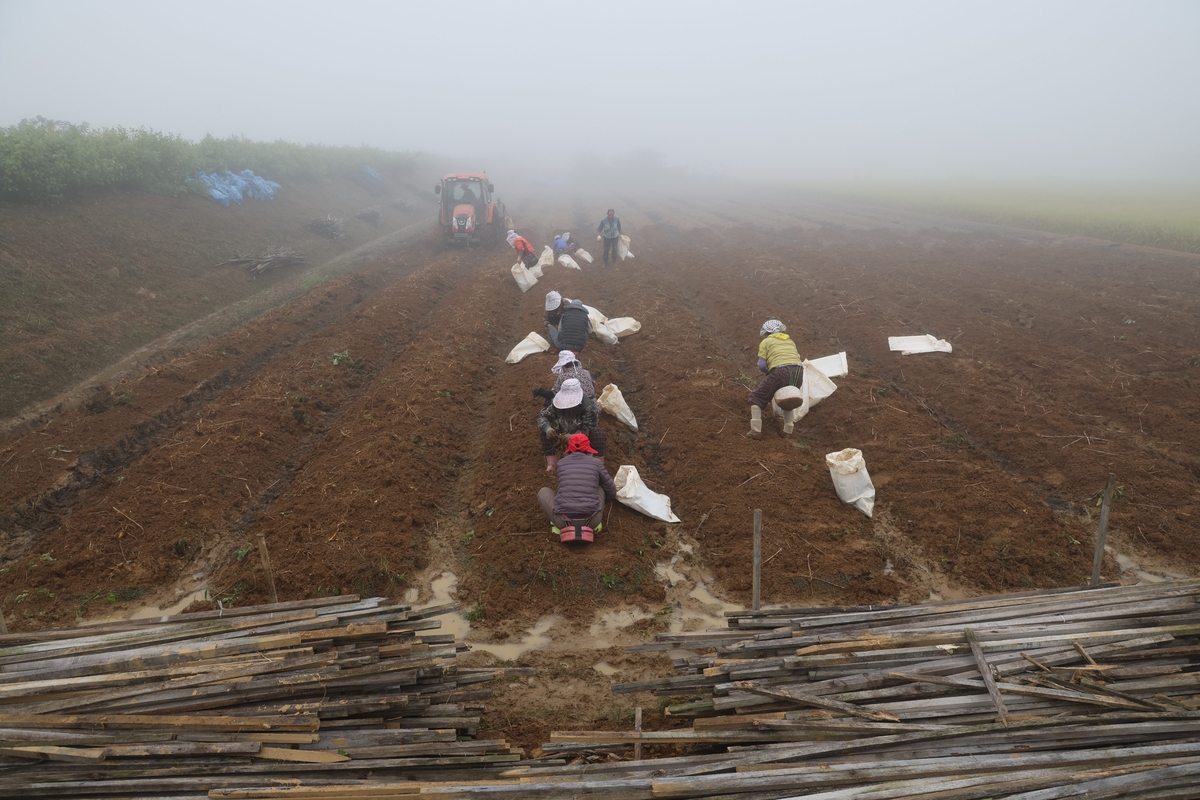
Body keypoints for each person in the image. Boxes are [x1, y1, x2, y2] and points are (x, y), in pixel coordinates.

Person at [537, 433, 616, 543]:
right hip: (592, 520)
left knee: (543, 492)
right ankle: (595, 526)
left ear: (569, 449)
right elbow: (611, 490)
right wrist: (601, 503)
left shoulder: (562, 463)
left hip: (563, 522)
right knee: (601, 487)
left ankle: (558, 527)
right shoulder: (596, 463)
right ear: (588, 449)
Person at [748, 319, 805, 439]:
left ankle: (755, 430)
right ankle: (788, 431)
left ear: (766, 332)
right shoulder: (790, 341)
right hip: (798, 371)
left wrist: (768, 373)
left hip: (780, 371)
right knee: (789, 399)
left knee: (757, 397)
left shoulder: (766, 342)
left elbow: (761, 365)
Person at [538, 377, 606, 471]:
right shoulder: (557, 404)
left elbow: (588, 428)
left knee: (598, 433)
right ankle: (552, 464)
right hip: (563, 433)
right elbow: (543, 416)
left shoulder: (588, 407)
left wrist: (573, 437)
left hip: (583, 438)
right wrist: (547, 429)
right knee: (544, 433)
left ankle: (598, 465)